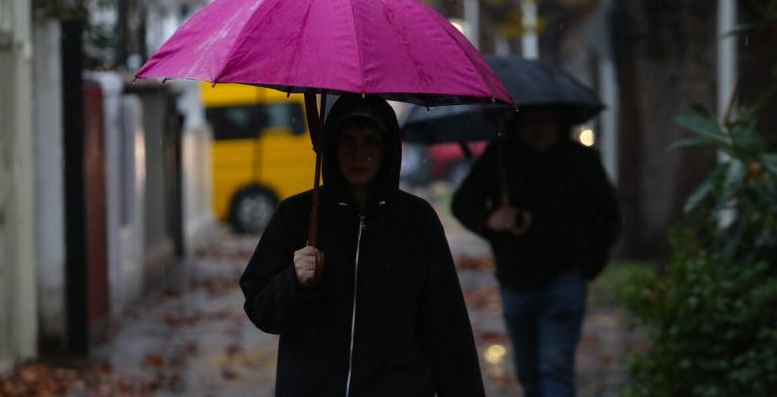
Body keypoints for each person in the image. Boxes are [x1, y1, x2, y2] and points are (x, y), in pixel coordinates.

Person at [240, 94, 485, 397]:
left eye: (372, 141)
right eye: (348, 141)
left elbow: (448, 328)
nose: (360, 153)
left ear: (388, 150)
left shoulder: (417, 222)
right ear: (331, 146)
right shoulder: (297, 215)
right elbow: (260, 308)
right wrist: (294, 282)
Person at [451, 108, 621, 397]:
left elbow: (608, 218)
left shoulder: (581, 161)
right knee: (528, 372)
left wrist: (587, 264)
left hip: (565, 279)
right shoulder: (501, 159)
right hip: (516, 279)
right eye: (531, 122)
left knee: (555, 367)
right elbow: (464, 204)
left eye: (546, 120)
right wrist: (491, 220)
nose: (538, 129)